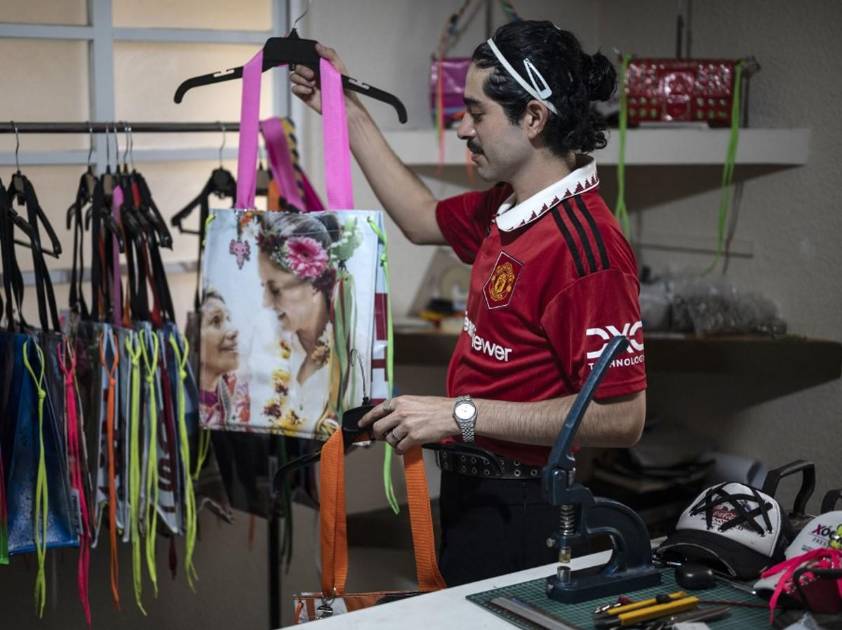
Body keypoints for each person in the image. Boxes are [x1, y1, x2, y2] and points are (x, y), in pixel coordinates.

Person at [291, 20, 647, 585]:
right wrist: (343, 108)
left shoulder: (588, 249)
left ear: (533, 118)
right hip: (472, 493)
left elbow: (623, 418)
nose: (462, 128)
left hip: (525, 509)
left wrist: (458, 414)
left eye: (476, 113)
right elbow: (419, 218)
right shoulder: (508, 207)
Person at [255, 211, 344, 437]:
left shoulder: (351, 346)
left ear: (314, 282)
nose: (266, 302)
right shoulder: (265, 344)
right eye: (264, 287)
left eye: (275, 290)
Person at [199, 290, 250, 427]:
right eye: (216, 320)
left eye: (228, 319)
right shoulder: (181, 404)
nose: (234, 331)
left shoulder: (228, 398)